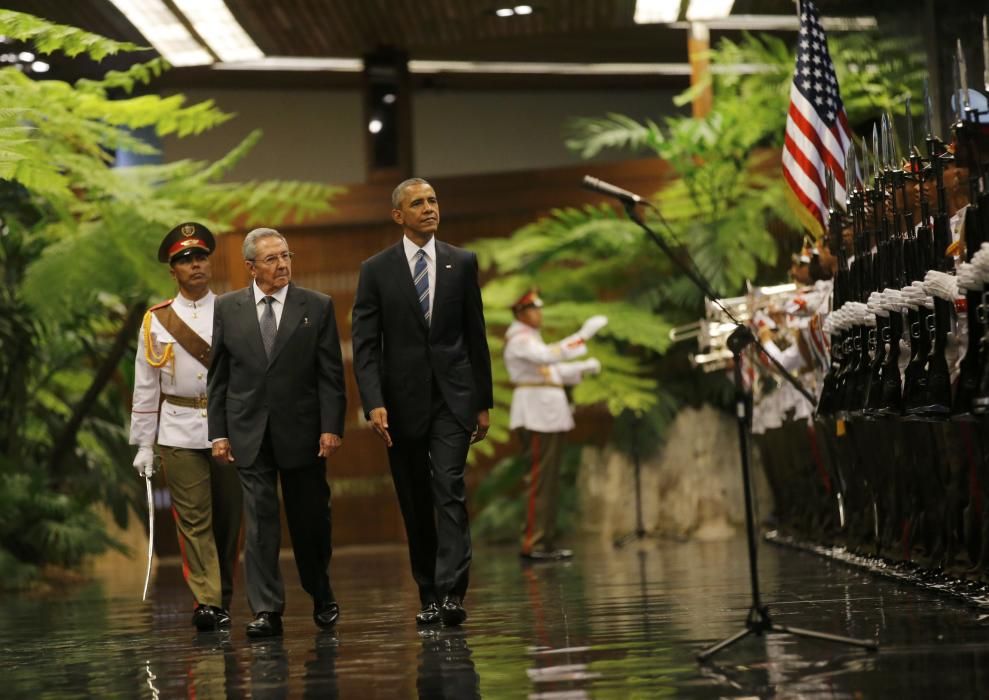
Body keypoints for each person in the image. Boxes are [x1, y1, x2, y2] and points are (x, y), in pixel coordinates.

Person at [351, 177, 493, 627]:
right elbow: (366, 343)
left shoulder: (461, 262)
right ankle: (428, 592)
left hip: (453, 399)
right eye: (418, 203)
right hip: (401, 402)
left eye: (433, 201)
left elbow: (476, 336)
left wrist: (482, 402)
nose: (429, 208)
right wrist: (373, 401)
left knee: (448, 487)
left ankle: (453, 592)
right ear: (399, 215)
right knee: (414, 499)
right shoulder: (376, 270)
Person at [208, 227, 346, 638]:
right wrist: (219, 433)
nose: (282, 264)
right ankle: (267, 609)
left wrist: (331, 427)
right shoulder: (228, 308)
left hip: (303, 432)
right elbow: (219, 376)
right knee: (260, 522)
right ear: (250, 266)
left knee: (310, 522)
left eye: (286, 256)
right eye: (271, 259)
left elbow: (331, 375)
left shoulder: (316, 306)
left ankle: (320, 592)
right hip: (248, 430)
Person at [129, 221, 243, 632]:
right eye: (184, 260)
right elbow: (146, 384)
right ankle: (207, 601)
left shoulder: (235, 309)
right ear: (172, 271)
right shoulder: (156, 321)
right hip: (177, 429)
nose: (195, 265)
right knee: (193, 519)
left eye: (200, 257)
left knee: (230, 517)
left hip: (227, 426)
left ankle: (223, 593)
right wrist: (143, 443)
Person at [503, 289, 605, 560]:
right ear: (522, 313)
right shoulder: (520, 340)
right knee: (540, 480)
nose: (540, 314)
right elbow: (548, 357)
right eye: (535, 309)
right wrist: (583, 336)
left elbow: (553, 372)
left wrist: (582, 368)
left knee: (549, 481)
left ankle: (545, 540)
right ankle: (533, 542)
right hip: (536, 415)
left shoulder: (531, 338)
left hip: (547, 413)